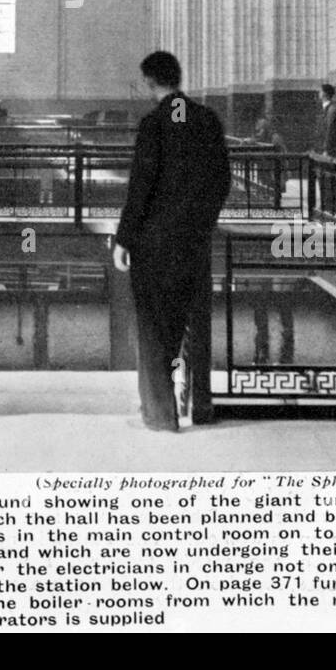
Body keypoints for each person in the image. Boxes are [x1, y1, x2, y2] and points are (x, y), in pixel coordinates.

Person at [112, 51, 231, 431]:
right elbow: (222, 180)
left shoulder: (154, 123)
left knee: (152, 327)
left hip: (153, 244)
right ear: (178, 77)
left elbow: (141, 187)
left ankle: (161, 415)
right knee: (186, 319)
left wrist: (123, 239)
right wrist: (202, 222)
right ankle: (198, 407)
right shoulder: (207, 119)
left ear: (150, 82)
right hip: (194, 243)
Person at [315, 83, 336, 215]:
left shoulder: (332, 110)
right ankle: (327, 204)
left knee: (328, 177)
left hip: (329, 151)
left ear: (325, 94)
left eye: (320, 91)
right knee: (323, 177)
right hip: (324, 150)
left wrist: (326, 149)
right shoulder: (327, 109)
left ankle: (331, 206)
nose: (318, 93)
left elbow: (330, 132)